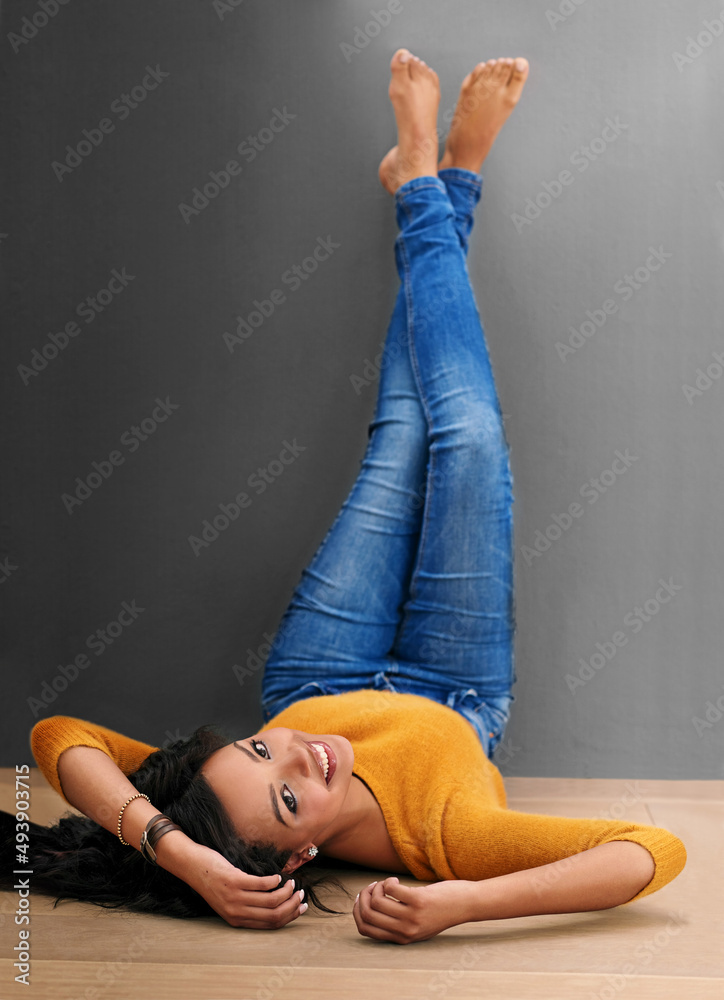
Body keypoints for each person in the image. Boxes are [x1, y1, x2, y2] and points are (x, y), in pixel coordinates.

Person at [12, 49, 686, 945]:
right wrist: (461, 901)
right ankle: (434, 187)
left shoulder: (280, 743)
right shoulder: (439, 838)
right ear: (296, 862)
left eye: (259, 749)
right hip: (457, 686)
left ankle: (434, 181)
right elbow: (651, 849)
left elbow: (57, 735)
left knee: (406, 434)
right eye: (291, 798)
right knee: (469, 442)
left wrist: (183, 854)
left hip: (319, 666)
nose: (303, 754)